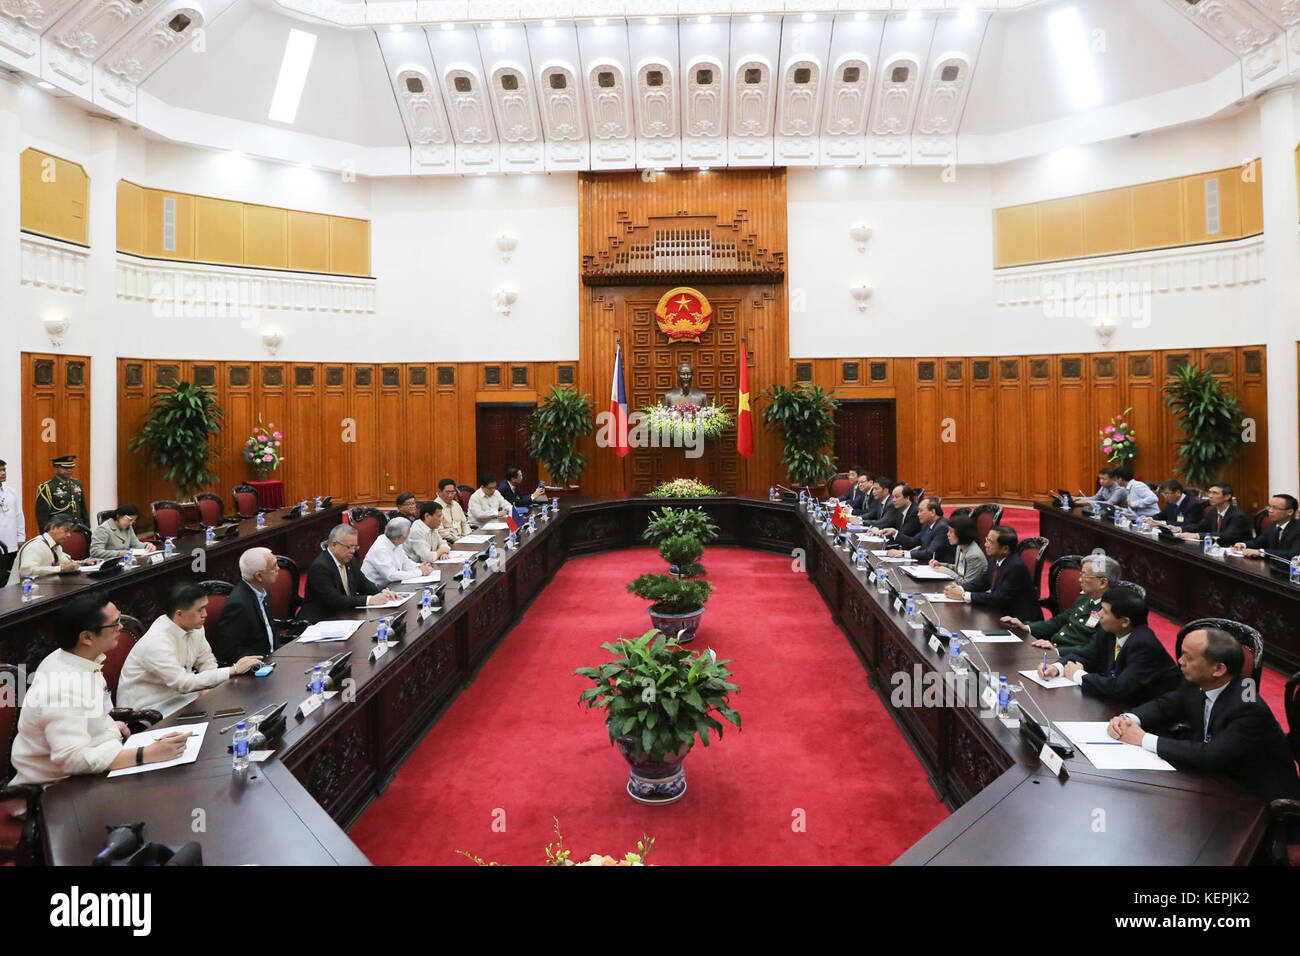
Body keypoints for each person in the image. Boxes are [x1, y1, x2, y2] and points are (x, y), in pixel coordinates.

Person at [8, 592, 190, 786]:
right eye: (115, 623)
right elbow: (72, 759)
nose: (121, 627)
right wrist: (145, 754)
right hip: (57, 790)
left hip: (94, 763)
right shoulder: (62, 684)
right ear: (87, 637)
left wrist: (108, 725)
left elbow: (90, 713)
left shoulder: (82, 659)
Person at [1109, 628, 1300, 803]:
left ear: (1218, 669)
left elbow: (1210, 755)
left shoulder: (1248, 707)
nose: (1180, 662)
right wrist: (1129, 719)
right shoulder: (1197, 681)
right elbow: (1165, 705)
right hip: (1216, 779)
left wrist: (1142, 739)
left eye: (1188, 657)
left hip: (1258, 798)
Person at [116, 583, 263, 711]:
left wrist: (208, 688)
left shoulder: (195, 627)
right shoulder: (156, 642)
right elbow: (183, 683)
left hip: (182, 699)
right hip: (150, 710)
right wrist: (233, 670)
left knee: (243, 705)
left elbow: (206, 660)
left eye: (205, 608)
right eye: (200, 610)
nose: (205, 614)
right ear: (179, 614)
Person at [1038, 586, 1180, 703]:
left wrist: (1078, 675)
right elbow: (1085, 655)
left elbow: (1120, 688)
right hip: (1116, 703)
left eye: (1104, 611)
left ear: (1124, 621)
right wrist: (1057, 668)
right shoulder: (1110, 630)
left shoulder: (1143, 644)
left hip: (1149, 711)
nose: (1099, 615)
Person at [1002, 553, 1119, 655]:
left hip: (1074, 660)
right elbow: (1059, 621)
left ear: (1103, 582)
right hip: (1054, 649)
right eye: (1080, 575)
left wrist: (1057, 651)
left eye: (1085, 575)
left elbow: (1094, 648)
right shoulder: (1085, 599)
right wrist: (1026, 627)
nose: (1079, 580)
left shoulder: (1111, 612)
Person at [943, 525, 1042, 622]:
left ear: (1005, 549)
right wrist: (959, 588)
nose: (985, 544)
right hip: (1000, 614)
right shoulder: (995, 559)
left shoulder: (1015, 567)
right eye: (987, 540)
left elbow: (998, 598)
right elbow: (982, 582)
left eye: (990, 542)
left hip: (1020, 620)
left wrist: (964, 595)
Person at [299, 524, 399, 620]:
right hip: (320, 620)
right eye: (349, 547)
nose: (353, 551)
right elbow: (335, 601)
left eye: (355, 547)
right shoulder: (320, 567)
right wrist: (369, 600)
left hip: (344, 614)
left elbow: (364, 584)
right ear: (334, 545)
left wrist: (382, 592)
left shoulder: (350, 560)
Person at [212, 547, 282, 665]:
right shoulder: (238, 604)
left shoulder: (263, 592)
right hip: (255, 669)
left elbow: (269, 629)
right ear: (259, 576)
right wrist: (262, 660)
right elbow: (229, 650)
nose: (278, 569)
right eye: (274, 567)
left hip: (273, 659)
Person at [6, 514, 85, 585]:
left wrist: (85, 562)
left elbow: (67, 562)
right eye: (66, 531)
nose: (69, 535)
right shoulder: (36, 545)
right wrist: (61, 568)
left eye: (70, 532)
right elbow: (26, 571)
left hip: (43, 588)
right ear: (53, 527)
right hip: (20, 593)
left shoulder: (56, 546)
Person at [361, 517, 433, 588]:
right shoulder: (380, 549)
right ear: (398, 538)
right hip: (375, 588)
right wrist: (419, 572)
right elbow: (391, 575)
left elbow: (405, 562)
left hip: (391, 585)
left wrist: (419, 567)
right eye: (407, 535)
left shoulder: (395, 541)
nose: (408, 537)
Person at [1178, 482, 1251, 546]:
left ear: (1227, 496)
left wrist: (1197, 535)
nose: (1210, 496)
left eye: (1215, 493)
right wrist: (1180, 529)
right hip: (1217, 548)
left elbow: (1226, 535)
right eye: (1209, 492)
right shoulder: (1213, 511)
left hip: (1236, 552)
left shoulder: (1238, 515)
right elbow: (1200, 526)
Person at [1231, 494, 1300, 560]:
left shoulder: (1297, 528)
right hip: (1272, 566)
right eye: (1269, 507)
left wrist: (1261, 552)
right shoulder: (1272, 525)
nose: (1270, 510)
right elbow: (1258, 542)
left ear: (1290, 512)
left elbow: (1293, 554)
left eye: (1275, 508)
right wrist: (1243, 545)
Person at [930, 515, 987, 588]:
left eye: (951, 532)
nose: (948, 534)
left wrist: (946, 571)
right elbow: (959, 569)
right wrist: (940, 565)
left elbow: (966, 583)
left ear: (962, 534)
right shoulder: (960, 546)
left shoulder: (974, 556)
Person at [888, 497, 951, 563]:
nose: (918, 514)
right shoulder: (927, 525)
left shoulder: (942, 527)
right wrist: (894, 533)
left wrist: (903, 554)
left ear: (932, 512)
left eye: (921, 511)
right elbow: (913, 541)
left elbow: (930, 553)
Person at [35, 453, 88, 529]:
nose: (69, 470)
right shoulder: (48, 487)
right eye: (65, 468)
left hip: (77, 529)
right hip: (59, 531)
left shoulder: (77, 484)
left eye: (71, 467)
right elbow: (42, 517)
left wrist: (87, 529)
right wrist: (47, 535)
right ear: (56, 469)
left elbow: (84, 511)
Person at [89, 505, 156, 559]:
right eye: (130, 520)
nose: (131, 523)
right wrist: (119, 553)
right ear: (118, 516)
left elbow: (136, 544)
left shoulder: (128, 527)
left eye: (133, 521)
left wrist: (147, 545)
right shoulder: (103, 529)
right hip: (105, 564)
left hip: (123, 561)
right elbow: (95, 552)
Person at [0, 458, 25, 556]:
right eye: (0, 470)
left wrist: (21, 538)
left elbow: (19, 515)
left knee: (9, 570)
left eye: (4, 470)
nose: (3, 473)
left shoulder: (12, 492)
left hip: (11, 543)